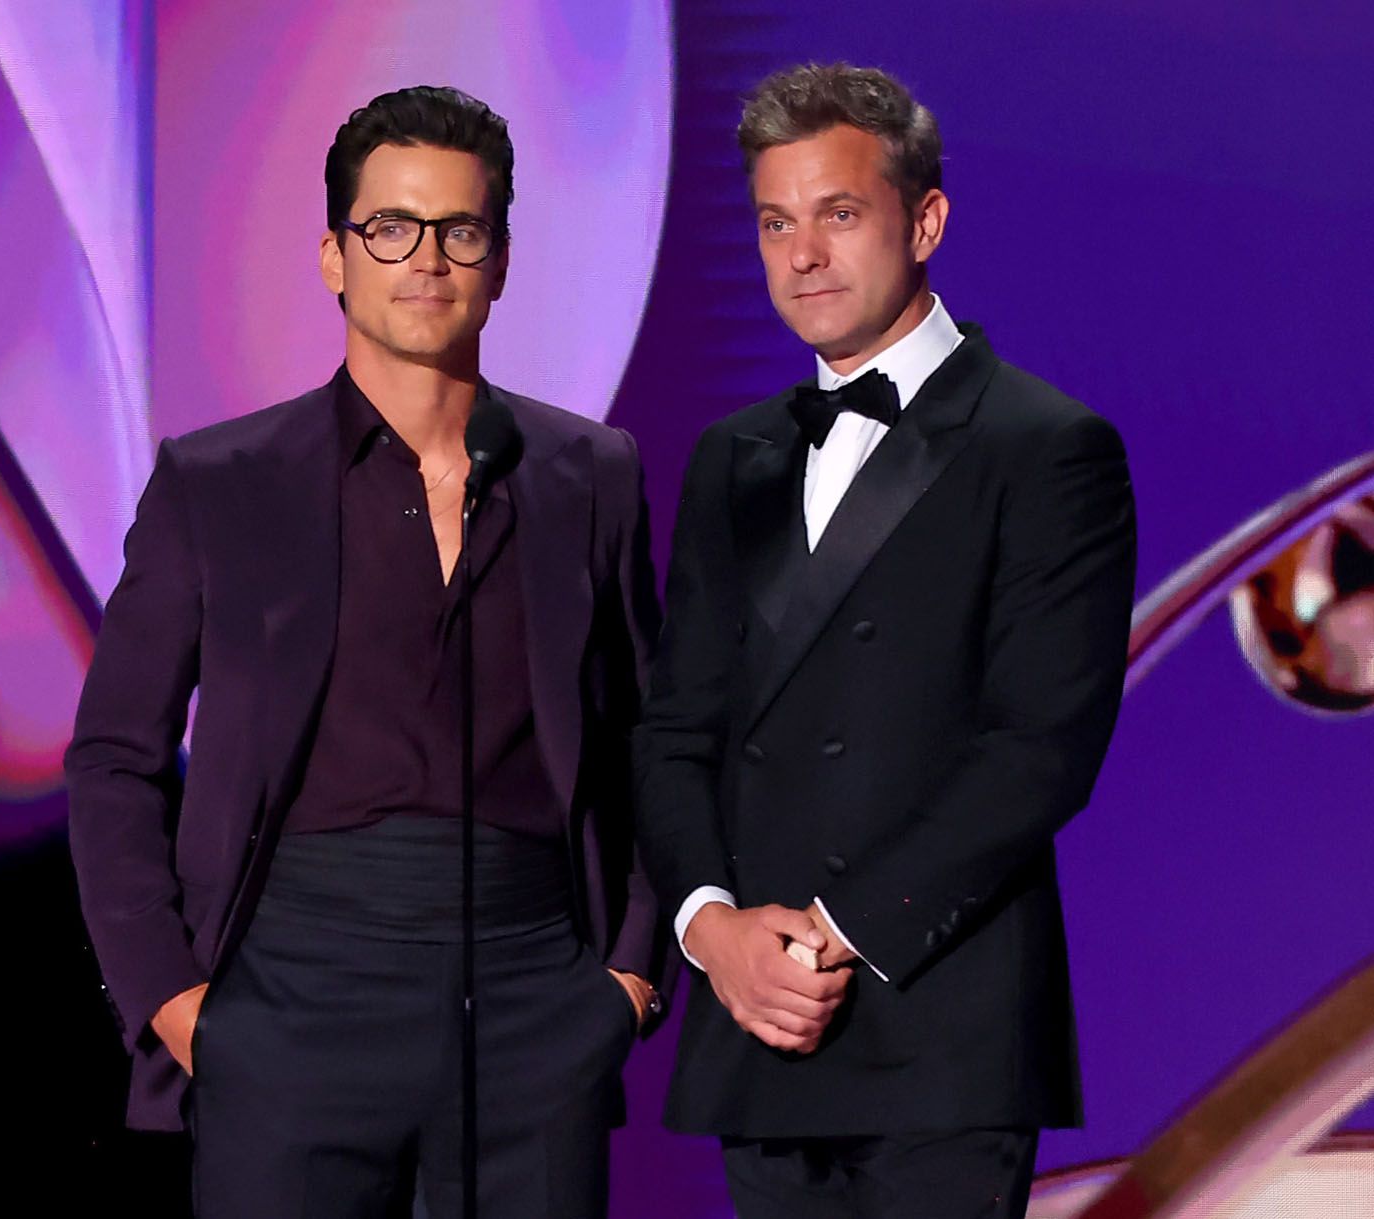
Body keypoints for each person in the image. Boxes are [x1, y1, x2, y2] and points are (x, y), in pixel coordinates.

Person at [66, 85, 668, 1219]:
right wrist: (174, 1002)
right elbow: (112, 757)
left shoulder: (593, 475)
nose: (425, 258)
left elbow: (652, 740)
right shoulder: (220, 481)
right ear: (334, 257)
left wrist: (628, 977)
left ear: (500, 262)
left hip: (535, 988)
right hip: (290, 988)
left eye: (460, 230)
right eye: (390, 226)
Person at [634, 62, 1136, 1218]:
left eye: (839, 213)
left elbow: (1039, 748)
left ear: (925, 220)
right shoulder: (731, 457)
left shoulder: (1045, 445)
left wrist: (837, 934)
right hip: (762, 1024)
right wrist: (712, 930)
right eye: (775, 222)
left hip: (939, 1024)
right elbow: (675, 729)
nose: (803, 254)